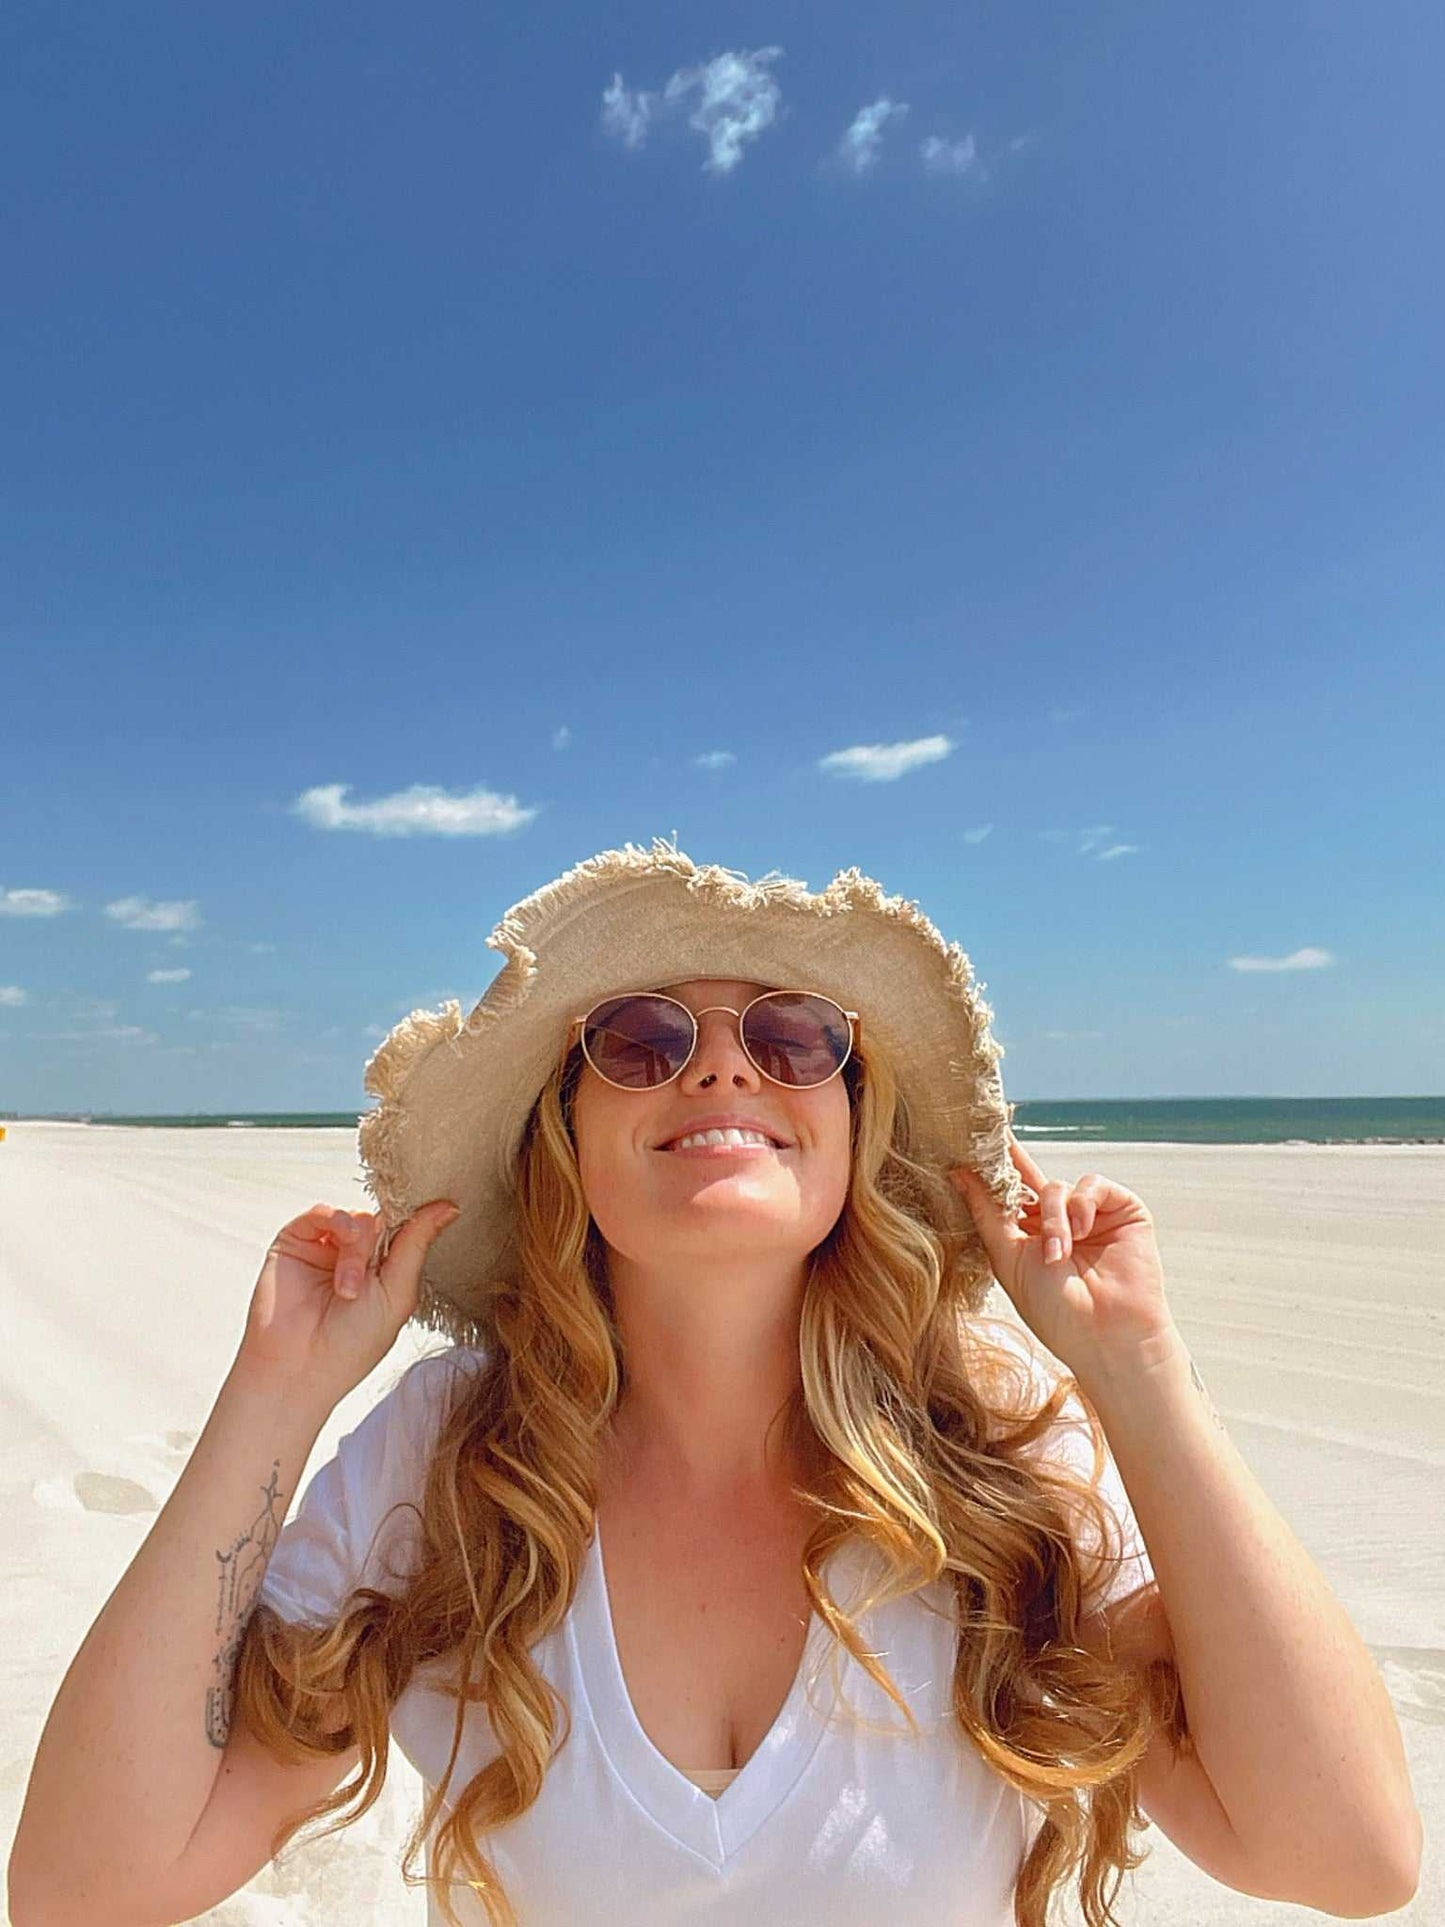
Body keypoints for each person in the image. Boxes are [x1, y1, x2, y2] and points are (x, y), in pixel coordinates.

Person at [11, 840, 1418, 1927]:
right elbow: (86, 1891)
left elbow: (1341, 1854)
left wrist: (1137, 1373)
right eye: (642, 1042)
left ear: (848, 1124)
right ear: (568, 1134)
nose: (726, 1065)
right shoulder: (445, 1455)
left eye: (796, 1039)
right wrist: (274, 1396)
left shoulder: (987, 1447)